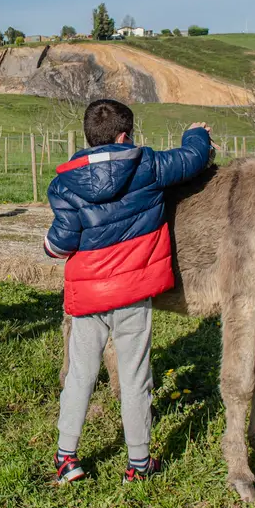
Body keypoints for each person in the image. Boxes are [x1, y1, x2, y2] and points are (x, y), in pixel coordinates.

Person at [44, 99, 214, 485]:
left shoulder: (66, 183)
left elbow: (61, 243)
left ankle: (66, 457)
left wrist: (48, 246)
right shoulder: (149, 166)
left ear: (89, 138)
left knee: (81, 376)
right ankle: (138, 464)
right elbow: (191, 158)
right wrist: (197, 133)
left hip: (88, 298)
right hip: (133, 294)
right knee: (136, 378)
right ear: (125, 136)